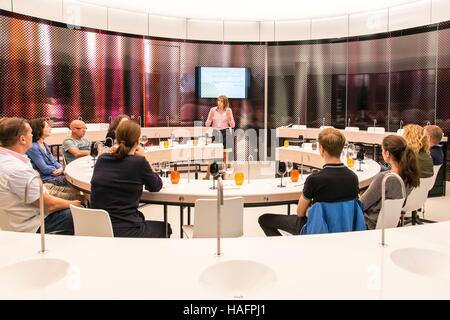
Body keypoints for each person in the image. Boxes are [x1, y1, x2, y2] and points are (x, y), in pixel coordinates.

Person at [258, 128, 359, 236]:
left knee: (264, 219)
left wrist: (310, 211)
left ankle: (285, 251)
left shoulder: (314, 179)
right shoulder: (353, 177)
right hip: (345, 230)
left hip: (315, 229)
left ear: (321, 149)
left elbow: (300, 212)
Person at [90, 120, 172, 238]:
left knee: (141, 217)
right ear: (138, 141)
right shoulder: (139, 162)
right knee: (165, 228)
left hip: (98, 227)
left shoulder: (102, 159)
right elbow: (156, 186)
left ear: (116, 137)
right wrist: (145, 158)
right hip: (124, 229)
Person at [0, 117, 81, 234]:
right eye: (31, 133)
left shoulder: (9, 160)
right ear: (22, 139)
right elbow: (48, 205)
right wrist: (75, 204)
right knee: (86, 214)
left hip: (19, 219)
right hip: (34, 224)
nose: (32, 136)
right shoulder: (17, 170)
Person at [361, 135, 420, 230]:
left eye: (382, 150)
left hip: (369, 223)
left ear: (387, 153)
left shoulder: (384, 178)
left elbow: (361, 205)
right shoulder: (411, 175)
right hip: (390, 224)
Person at [204, 95, 235, 179]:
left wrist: (230, 118)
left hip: (225, 132)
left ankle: (225, 174)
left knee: (225, 156)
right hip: (215, 133)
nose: (219, 102)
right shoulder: (213, 110)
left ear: (225, 102)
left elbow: (233, 125)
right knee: (212, 154)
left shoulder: (228, 110)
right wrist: (209, 119)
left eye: (221, 101)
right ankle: (207, 174)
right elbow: (207, 124)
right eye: (218, 100)